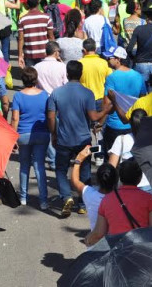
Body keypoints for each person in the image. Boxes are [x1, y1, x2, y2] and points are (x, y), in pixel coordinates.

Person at [46, 61, 112, 217]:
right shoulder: (87, 93)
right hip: (83, 140)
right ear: (81, 74)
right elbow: (94, 117)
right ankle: (83, 203)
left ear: (67, 74)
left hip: (63, 139)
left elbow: (50, 117)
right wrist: (106, 110)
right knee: (85, 170)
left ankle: (66, 197)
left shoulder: (56, 93)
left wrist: (53, 134)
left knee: (61, 170)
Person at [85, 159, 152, 245]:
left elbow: (99, 233)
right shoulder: (149, 198)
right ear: (139, 178)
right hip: (141, 248)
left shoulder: (107, 200)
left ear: (120, 178)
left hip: (117, 249)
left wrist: (88, 239)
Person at [10, 67, 51, 210]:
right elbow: (49, 115)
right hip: (41, 133)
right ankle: (44, 200)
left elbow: (15, 118)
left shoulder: (18, 96)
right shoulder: (44, 95)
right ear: (35, 79)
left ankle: (23, 197)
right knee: (39, 165)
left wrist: (12, 137)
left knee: (24, 165)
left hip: (23, 134)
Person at [102, 46, 145, 153]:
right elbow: (143, 99)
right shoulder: (138, 76)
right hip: (133, 125)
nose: (107, 60)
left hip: (115, 125)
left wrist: (100, 122)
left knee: (113, 158)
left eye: (109, 58)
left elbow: (107, 104)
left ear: (118, 60)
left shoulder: (111, 78)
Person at [70, 152, 118, 230]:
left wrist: (78, 160)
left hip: (97, 238)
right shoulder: (121, 198)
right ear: (116, 179)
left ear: (97, 179)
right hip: (118, 239)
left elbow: (75, 180)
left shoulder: (89, 194)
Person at [18, 0, 54, 69]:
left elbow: (21, 39)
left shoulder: (22, 20)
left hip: (29, 54)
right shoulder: (47, 18)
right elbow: (51, 37)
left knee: (31, 77)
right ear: (38, 3)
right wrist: (54, 54)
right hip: (44, 53)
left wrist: (20, 56)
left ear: (27, 4)